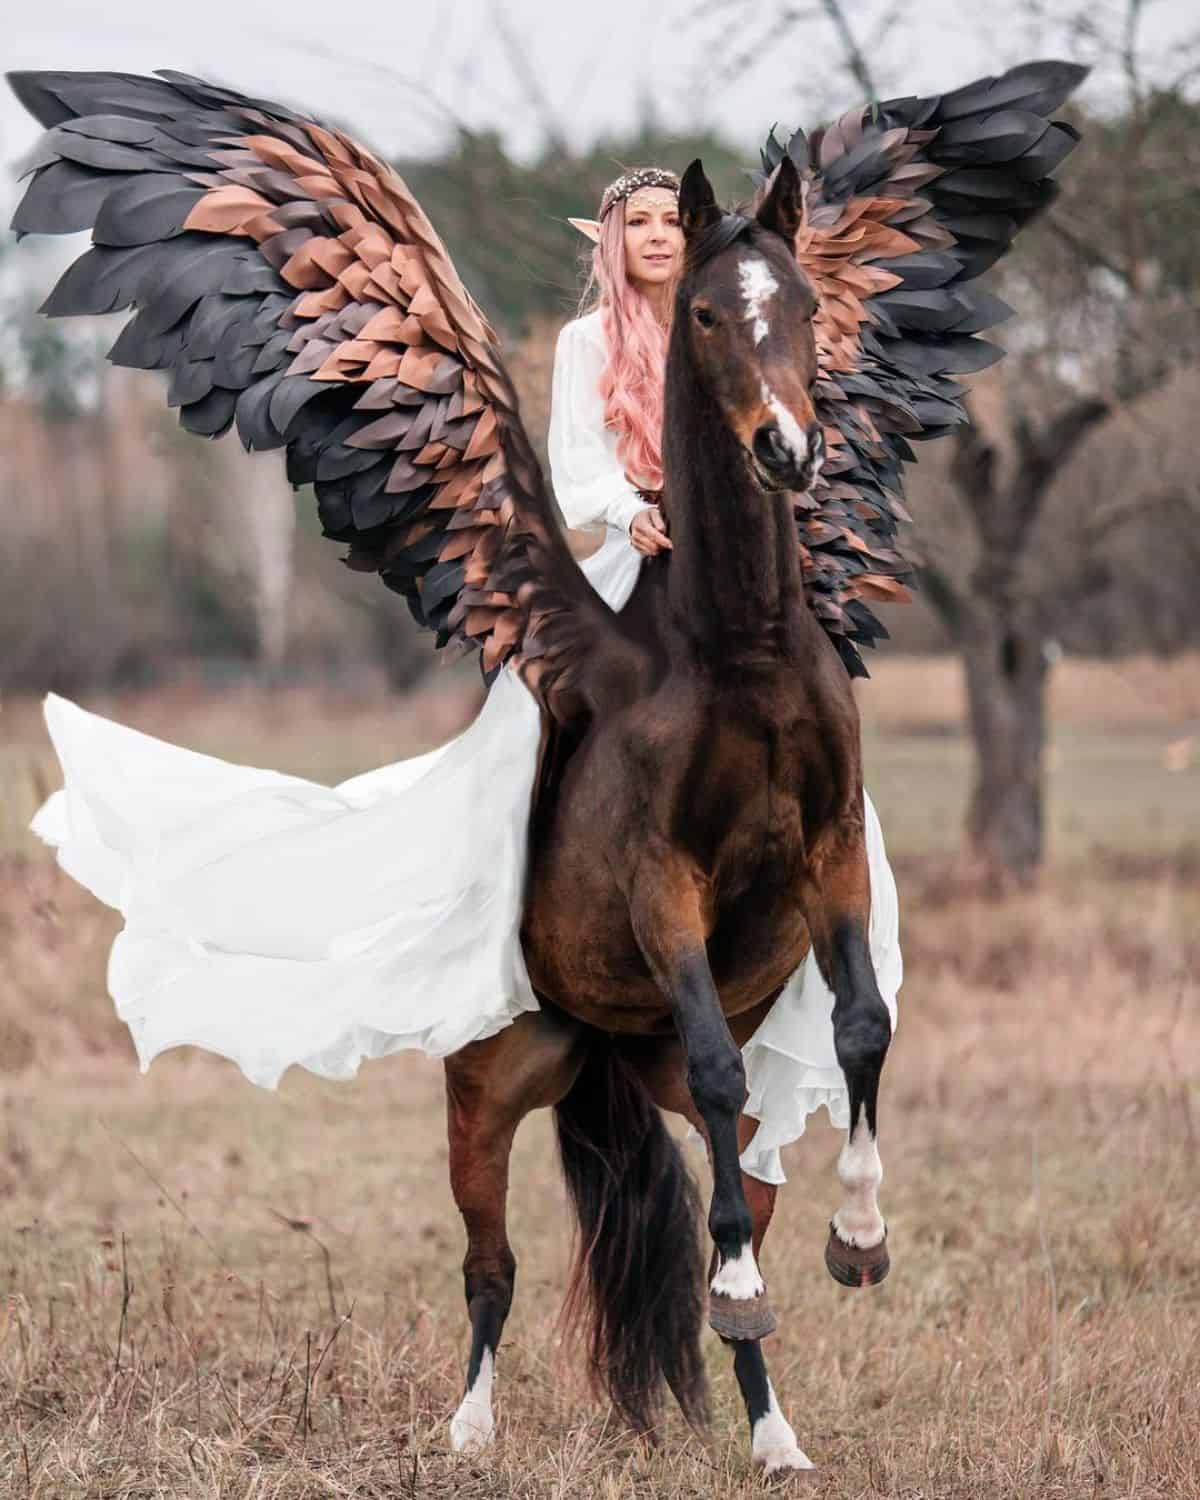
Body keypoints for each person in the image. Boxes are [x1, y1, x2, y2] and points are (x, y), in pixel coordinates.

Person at [32, 168, 900, 1186]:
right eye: (643, 225)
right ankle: (502, 923)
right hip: (632, 561)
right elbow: (577, 465)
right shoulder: (590, 343)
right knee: (527, 733)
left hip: (743, 561)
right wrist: (632, 512)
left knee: (838, 787)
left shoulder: (747, 307)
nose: (659, 239)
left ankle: (837, 985)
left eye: (674, 223)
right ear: (614, 242)